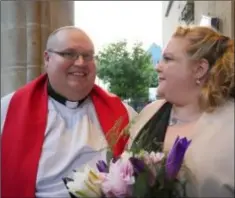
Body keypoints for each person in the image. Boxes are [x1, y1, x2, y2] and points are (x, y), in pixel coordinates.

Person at [1, 26, 137, 198]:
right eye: (69, 54)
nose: (80, 62)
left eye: (87, 56)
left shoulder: (123, 113)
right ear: (47, 58)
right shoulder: (8, 110)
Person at [128, 25, 234, 197]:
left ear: (199, 69)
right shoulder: (150, 112)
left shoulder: (229, 125)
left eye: (168, 59)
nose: (158, 67)